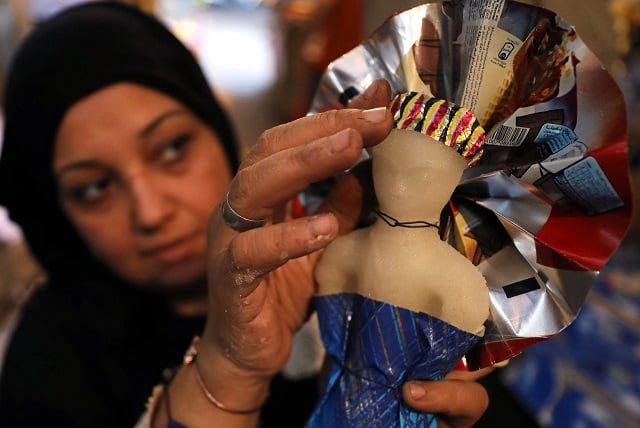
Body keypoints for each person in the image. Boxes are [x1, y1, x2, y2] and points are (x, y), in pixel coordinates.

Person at [0, 2, 490, 427]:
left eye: (172, 148)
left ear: (216, 128)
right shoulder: (47, 370)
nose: (150, 212)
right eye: (94, 187)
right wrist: (231, 369)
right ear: (56, 211)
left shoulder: (343, 275)